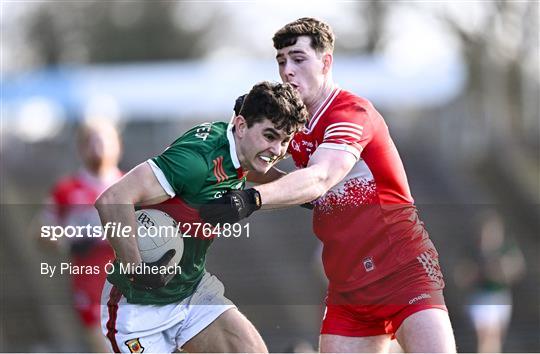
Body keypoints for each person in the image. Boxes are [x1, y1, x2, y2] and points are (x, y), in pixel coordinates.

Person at [201, 18, 456, 353]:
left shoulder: (350, 113)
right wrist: (242, 141)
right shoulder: (292, 125)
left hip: (403, 273)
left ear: (326, 62)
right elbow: (258, 168)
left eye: (298, 58)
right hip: (347, 286)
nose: (288, 70)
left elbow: (320, 177)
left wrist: (248, 200)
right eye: (281, 61)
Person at [94, 81, 308, 353]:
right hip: (137, 309)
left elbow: (253, 169)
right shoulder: (196, 161)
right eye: (269, 136)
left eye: (284, 141)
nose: (278, 150)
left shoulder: (238, 150)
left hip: (192, 293)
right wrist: (137, 270)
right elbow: (112, 200)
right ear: (241, 126)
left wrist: (300, 189)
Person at [40, 118, 123, 352]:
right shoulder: (66, 190)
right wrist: (69, 241)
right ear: (81, 148)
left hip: (133, 284)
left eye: (105, 140)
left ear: (118, 145)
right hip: (90, 283)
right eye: (91, 141)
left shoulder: (133, 185)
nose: (99, 146)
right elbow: (41, 231)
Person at [455, 209, 524, 352]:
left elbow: (517, 270)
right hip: (480, 297)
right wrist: (478, 273)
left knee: (494, 337)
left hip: (500, 297)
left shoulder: (506, 249)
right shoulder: (472, 251)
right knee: (486, 336)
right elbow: (461, 276)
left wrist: (502, 270)